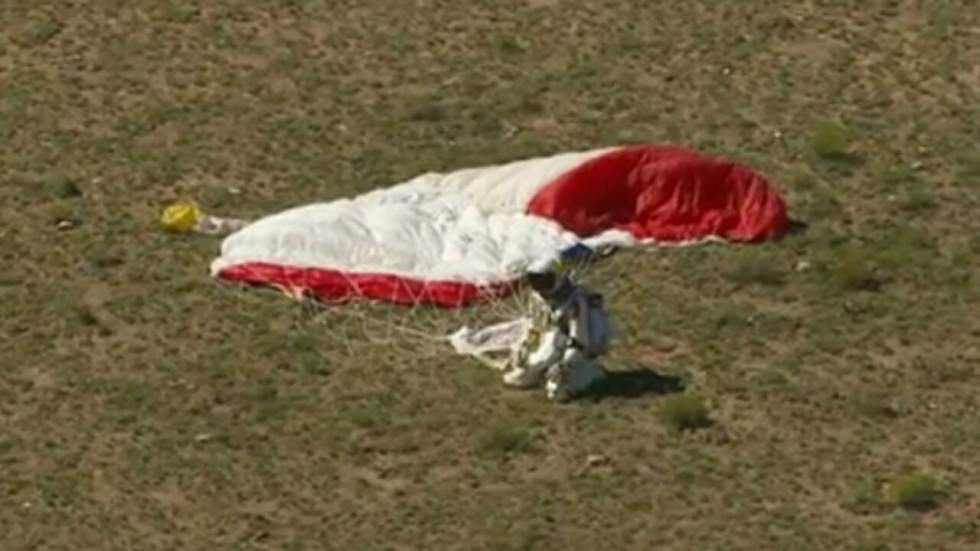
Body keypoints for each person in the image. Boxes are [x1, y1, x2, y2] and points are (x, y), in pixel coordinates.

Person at [502, 259, 612, 402]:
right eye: (535, 281)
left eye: (543, 281)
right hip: (559, 337)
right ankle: (546, 369)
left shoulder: (575, 301)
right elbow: (536, 326)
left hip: (584, 344)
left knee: (557, 390)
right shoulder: (539, 299)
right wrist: (525, 346)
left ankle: (589, 372)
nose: (539, 287)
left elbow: (580, 339)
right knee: (526, 373)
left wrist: (564, 364)